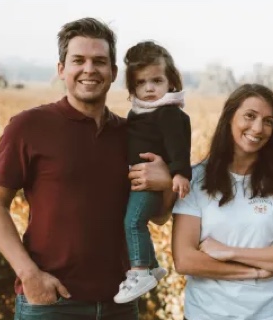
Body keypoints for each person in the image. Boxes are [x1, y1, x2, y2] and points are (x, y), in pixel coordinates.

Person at [0, 17, 174, 320]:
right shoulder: (28, 126)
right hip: (50, 302)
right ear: (61, 69)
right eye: (78, 60)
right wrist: (29, 274)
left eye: (99, 61)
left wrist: (165, 183)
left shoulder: (133, 135)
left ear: (113, 73)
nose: (89, 69)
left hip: (119, 305)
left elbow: (159, 216)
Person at [171, 83, 273, 320]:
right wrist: (257, 272)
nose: (258, 128)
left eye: (268, 121)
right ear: (229, 118)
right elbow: (185, 260)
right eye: (250, 116)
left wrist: (228, 252)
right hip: (206, 314)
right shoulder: (196, 179)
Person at [113, 40, 191, 303]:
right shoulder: (143, 112)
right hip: (141, 180)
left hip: (149, 182)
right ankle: (153, 266)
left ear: (170, 81)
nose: (148, 88)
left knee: (133, 222)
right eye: (141, 83)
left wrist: (179, 174)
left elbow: (178, 148)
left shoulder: (168, 113)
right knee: (135, 221)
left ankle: (139, 272)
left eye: (156, 81)